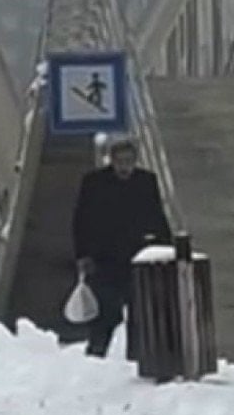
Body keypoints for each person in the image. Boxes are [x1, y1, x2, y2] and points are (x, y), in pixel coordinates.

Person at [72, 136, 172, 359]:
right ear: (112, 160)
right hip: (103, 259)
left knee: (140, 312)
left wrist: (166, 248)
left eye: (129, 161)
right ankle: (96, 354)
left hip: (137, 257)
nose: (125, 166)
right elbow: (82, 219)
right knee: (105, 312)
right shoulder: (94, 182)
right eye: (120, 161)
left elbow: (157, 217)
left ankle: (138, 356)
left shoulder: (146, 181)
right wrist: (83, 254)